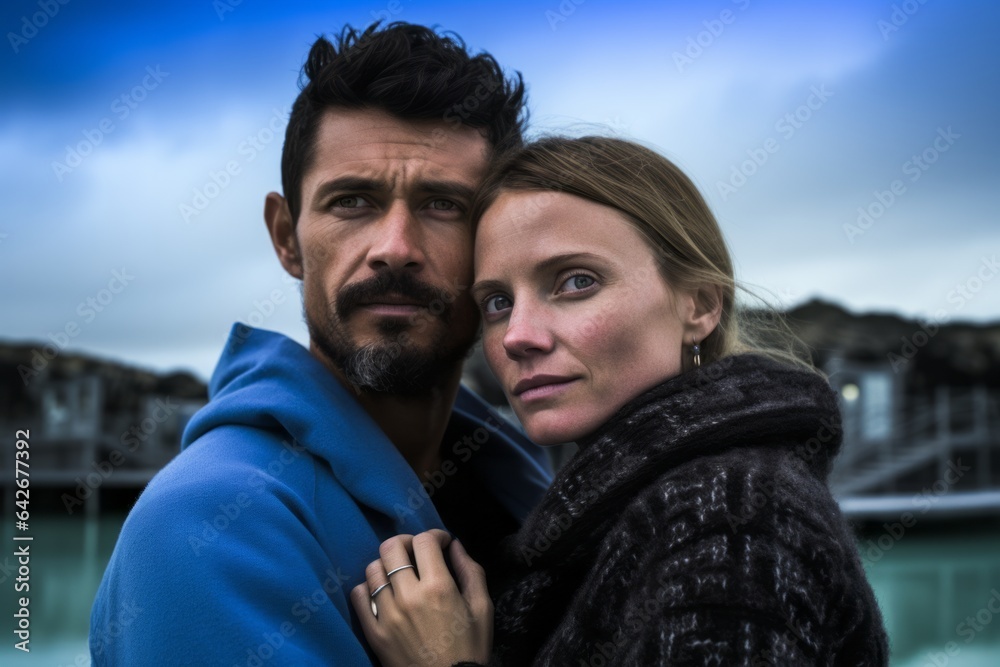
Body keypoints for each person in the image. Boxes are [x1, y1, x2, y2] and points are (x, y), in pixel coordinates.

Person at [89, 22, 553, 666]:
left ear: (501, 243)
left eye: (444, 204)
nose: (395, 248)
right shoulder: (207, 527)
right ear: (286, 238)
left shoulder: (530, 489)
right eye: (353, 201)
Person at [350, 136, 890, 665]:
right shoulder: (646, 503)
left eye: (576, 282)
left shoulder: (731, 514)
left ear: (698, 305)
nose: (517, 334)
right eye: (497, 302)